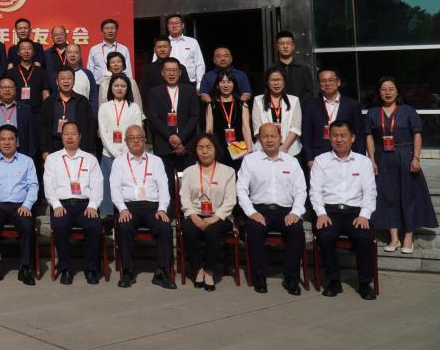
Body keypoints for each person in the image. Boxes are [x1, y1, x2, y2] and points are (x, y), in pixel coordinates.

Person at [365, 76, 438, 253]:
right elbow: (369, 137)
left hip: (405, 156)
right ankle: (394, 237)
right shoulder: (373, 113)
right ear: (379, 92)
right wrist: (372, 160)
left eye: (391, 89)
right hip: (383, 158)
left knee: (408, 195)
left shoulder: (408, 111)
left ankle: (408, 236)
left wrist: (416, 158)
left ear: (397, 91)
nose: (388, 92)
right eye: (384, 89)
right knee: (387, 196)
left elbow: (417, 134)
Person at [310, 120, 377, 300]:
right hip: (329, 211)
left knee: (364, 237)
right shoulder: (321, 161)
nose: (339, 139)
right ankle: (333, 281)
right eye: (335, 136)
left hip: (355, 212)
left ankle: (364, 283)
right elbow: (315, 191)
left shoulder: (363, 162)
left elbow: (370, 192)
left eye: (343, 136)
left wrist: (364, 215)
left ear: (352, 138)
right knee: (325, 235)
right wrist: (321, 213)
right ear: (329, 137)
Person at [237, 123, 307, 295]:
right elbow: (241, 189)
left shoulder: (292, 162)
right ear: (259, 139)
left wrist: (296, 212)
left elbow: (301, 190)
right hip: (259, 209)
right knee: (254, 229)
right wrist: (251, 212)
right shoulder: (250, 160)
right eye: (265, 136)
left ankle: (291, 278)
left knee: (296, 230)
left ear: (280, 138)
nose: (269, 140)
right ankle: (259, 277)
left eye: (273, 136)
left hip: (286, 210)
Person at [110, 124, 176, 289]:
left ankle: (161, 272)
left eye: (139, 137)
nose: (136, 141)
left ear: (145, 140)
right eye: (132, 138)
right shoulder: (119, 162)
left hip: (152, 207)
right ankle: (127, 272)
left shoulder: (156, 161)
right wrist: (122, 209)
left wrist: (162, 209)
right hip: (129, 206)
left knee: (165, 228)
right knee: (124, 226)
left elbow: (164, 187)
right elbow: (114, 188)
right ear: (126, 141)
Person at [44, 121, 104, 285]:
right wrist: (56, 205)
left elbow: (98, 184)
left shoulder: (90, 159)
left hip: (85, 204)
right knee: (60, 226)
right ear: (61, 137)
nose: (70, 137)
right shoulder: (52, 159)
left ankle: (91, 269)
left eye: (73, 134)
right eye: (66, 134)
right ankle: (65, 269)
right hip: (62, 204)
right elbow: (48, 185)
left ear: (80, 136)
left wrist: (93, 205)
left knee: (94, 227)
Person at [0, 125, 38, 286]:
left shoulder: (27, 161)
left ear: (17, 142)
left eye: (11, 139)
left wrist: (27, 205)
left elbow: (33, 185)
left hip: (20, 205)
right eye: (3, 139)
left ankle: (25, 268)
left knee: (27, 225)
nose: (7, 142)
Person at [179, 133, 237, 291]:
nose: (205, 151)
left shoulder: (228, 171)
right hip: (195, 214)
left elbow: (230, 200)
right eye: (200, 148)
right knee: (189, 230)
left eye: (208, 147)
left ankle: (209, 271)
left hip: (220, 216)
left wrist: (214, 218)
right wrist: (193, 216)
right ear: (195, 150)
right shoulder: (189, 171)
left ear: (215, 149)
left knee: (212, 231)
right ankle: (198, 269)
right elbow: (184, 198)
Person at [145, 57, 200, 189]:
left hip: (186, 145)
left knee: (188, 185)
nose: (171, 73)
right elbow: (154, 118)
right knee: (165, 185)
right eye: (168, 70)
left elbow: (194, 116)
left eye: (174, 70)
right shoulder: (154, 92)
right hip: (164, 146)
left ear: (180, 73)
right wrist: (171, 137)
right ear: (162, 73)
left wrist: (180, 138)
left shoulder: (190, 91)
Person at [98, 74, 142, 216]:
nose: (119, 88)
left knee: (126, 188)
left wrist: (125, 153)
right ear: (110, 88)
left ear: (128, 88)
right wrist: (116, 154)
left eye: (123, 86)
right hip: (108, 155)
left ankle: (127, 216)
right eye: (116, 85)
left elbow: (137, 132)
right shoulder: (104, 107)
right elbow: (103, 133)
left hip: (129, 155)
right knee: (108, 188)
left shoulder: (134, 107)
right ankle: (108, 218)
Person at [302, 68, 364, 167]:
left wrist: (360, 158)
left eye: (331, 80)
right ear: (318, 84)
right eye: (323, 81)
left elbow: (359, 134)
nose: (327, 84)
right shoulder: (310, 105)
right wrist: (309, 159)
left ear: (338, 82)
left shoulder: (352, 105)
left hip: (347, 156)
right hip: (319, 156)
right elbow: (306, 134)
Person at [39, 66, 97, 159]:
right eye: (62, 78)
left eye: (69, 78)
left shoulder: (83, 101)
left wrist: (90, 150)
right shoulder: (48, 102)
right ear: (57, 82)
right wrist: (44, 150)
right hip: (54, 146)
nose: (66, 81)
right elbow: (42, 128)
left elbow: (91, 127)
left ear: (74, 81)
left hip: (77, 146)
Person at [205, 71, 253, 171]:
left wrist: (249, 150)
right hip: (219, 148)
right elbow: (209, 130)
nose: (226, 85)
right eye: (222, 82)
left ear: (234, 84)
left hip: (239, 148)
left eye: (229, 82)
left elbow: (246, 128)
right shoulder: (212, 105)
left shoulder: (242, 104)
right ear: (217, 85)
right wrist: (209, 149)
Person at [0, 77, 36, 161]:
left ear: (15, 90)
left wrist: (31, 156)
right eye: (4, 87)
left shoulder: (26, 109)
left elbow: (31, 136)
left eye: (10, 87)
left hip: (20, 154)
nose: (7, 90)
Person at [251, 66, 302, 159]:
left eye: (279, 80)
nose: (276, 83)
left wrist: (284, 146)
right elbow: (257, 128)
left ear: (284, 81)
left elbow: (296, 127)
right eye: (273, 80)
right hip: (264, 150)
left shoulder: (294, 100)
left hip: (290, 150)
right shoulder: (258, 100)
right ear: (267, 82)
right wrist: (271, 146)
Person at [266, 30, 315, 102]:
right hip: (278, 107)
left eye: (288, 43)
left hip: (301, 107)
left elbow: (309, 92)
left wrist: (297, 106)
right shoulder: (271, 69)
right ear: (277, 47)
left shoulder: (304, 68)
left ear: (293, 46)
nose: (285, 46)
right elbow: (267, 92)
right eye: (282, 44)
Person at [162, 13, 205, 84]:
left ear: (183, 25)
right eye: (171, 23)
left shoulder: (192, 42)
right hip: (167, 83)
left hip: (190, 83)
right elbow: (156, 63)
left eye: (177, 23)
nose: (174, 26)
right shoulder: (163, 43)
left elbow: (200, 64)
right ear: (167, 26)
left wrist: (199, 84)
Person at [11, 38, 50, 114]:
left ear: (33, 52)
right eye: (23, 49)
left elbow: (46, 93)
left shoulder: (41, 71)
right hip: (16, 112)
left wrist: (46, 111)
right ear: (18, 52)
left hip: (37, 113)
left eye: (29, 49)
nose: (26, 51)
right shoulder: (11, 73)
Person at [139, 35, 174, 106]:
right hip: (155, 106)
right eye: (159, 47)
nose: (162, 50)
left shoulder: (180, 67)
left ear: (170, 48)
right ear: (154, 49)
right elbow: (144, 92)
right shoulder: (147, 69)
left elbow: (185, 90)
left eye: (165, 47)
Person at [63, 44, 98, 111]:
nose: (72, 55)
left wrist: (93, 114)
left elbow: (93, 97)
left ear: (80, 56)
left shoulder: (88, 74)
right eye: (69, 52)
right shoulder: (59, 73)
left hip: (84, 112)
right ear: (65, 55)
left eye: (76, 53)